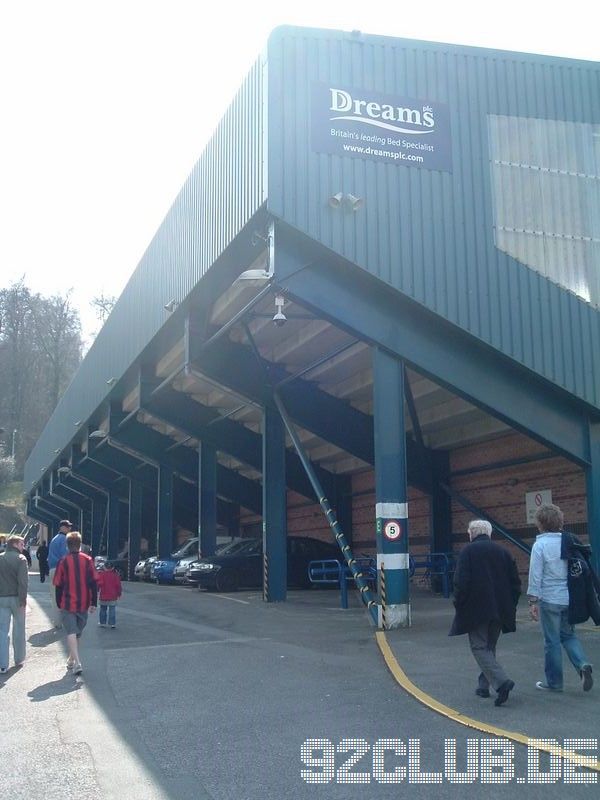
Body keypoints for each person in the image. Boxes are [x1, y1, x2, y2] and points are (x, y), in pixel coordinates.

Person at [449, 519, 521, 706]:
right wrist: (510, 605)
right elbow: (516, 584)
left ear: (471, 534)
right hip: (500, 608)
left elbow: (460, 583)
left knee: (479, 647)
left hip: (476, 609)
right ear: (489, 533)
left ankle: (501, 682)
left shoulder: (467, 552)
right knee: (489, 646)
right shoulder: (504, 552)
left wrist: (459, 603)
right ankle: (483, 686)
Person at [527, 504, 594, 692]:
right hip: (568, 597)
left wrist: (533, 601)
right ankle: (582, 665)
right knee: (569, 635)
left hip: (549, 599)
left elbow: (535, 575)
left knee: (552, 641)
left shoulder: (540, 545)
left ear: (540, 524)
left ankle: (554, 683)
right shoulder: (569, 541)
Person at [52, 531, 98, 675]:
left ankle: (72, 659)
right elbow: (93, 583)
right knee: (76, 632)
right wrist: (94, 602)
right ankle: (77, 663)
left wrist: (59, 603)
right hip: (83, 603)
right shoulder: (88, 560)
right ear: (80, 544)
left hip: (67, 602)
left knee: (73, 632)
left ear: (67, 545)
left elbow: (58, 585)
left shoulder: (63, 561)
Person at [0, 534, 29, 673]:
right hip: (17, 599)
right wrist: (23, 600)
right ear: (15, 544)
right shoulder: (21, 559)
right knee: (19, 629)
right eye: (22, 544)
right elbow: (23, 582)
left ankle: (2, 664)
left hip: (1, 598)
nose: (23, 547)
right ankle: (19, 659)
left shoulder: (0, 557)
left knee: (2, 631)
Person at [47, 519, 72, 627]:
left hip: (52, 569)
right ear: (63, 527)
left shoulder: (54, 539)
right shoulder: (64, 539)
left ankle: (57, 622)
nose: (69, 528)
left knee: (54, 597)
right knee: (65, 596)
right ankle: (65, 621)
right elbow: (65, 556)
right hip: (61, 570)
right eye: (68, 526)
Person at [96, 561, 122, 628]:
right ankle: (112, 623)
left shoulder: (102, 574)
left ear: (104, 567)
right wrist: (119, 594)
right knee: (112, 610)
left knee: (103, 609)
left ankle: (102, 623)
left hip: (103, 595)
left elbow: (99, 584)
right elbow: (118, 585)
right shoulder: (116, 575)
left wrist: (97, 590)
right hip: (113, 595)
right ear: (113, 567)